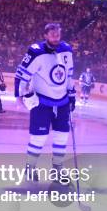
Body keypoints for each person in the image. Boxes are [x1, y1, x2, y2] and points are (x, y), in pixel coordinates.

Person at [14, 23, 75, 181]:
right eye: (52, 33)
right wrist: (19, 95)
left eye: (58, 33)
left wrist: (72, 94)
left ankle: (58, 169)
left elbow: (69, 74)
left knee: (62, 136)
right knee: (38, 137)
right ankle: (30, 167)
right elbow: (22, 74)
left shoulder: (67, 50)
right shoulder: (36, 51)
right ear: (45, 35)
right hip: (42, 102)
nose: (55, 36)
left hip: (62, 102)